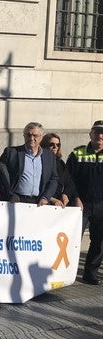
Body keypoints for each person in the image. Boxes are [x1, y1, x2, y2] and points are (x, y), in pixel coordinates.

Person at [66, 120, 103, 284]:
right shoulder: (78, 153)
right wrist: (75, 197)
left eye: (102, 133)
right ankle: (67, 273)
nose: (100, 136)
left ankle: (90, 274)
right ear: (90, 134)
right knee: (73, 240)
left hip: (102, 205)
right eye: (96, 132)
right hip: (81, 204)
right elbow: (68, 179)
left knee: (99, 242)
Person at [0, 122, 58, 206]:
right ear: (24, 136)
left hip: (39, 203)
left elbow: (54, 179)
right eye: (28, 135)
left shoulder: (49, 156)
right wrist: (10, 194)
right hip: (16, 201)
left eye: (35, 135)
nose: (31, 138)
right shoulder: (11, 153)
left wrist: (46, 197)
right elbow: (0, 175)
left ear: (41, 137)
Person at [40, 132, 79, 209]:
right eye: (51, 144)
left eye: (58, 145)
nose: (55, 147)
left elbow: (69, 182)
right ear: (44, 145)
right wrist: (49, 198)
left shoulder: (60, 163)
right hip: (44, 202)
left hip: (58, 203)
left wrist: (65, 194)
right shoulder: (39, 160)